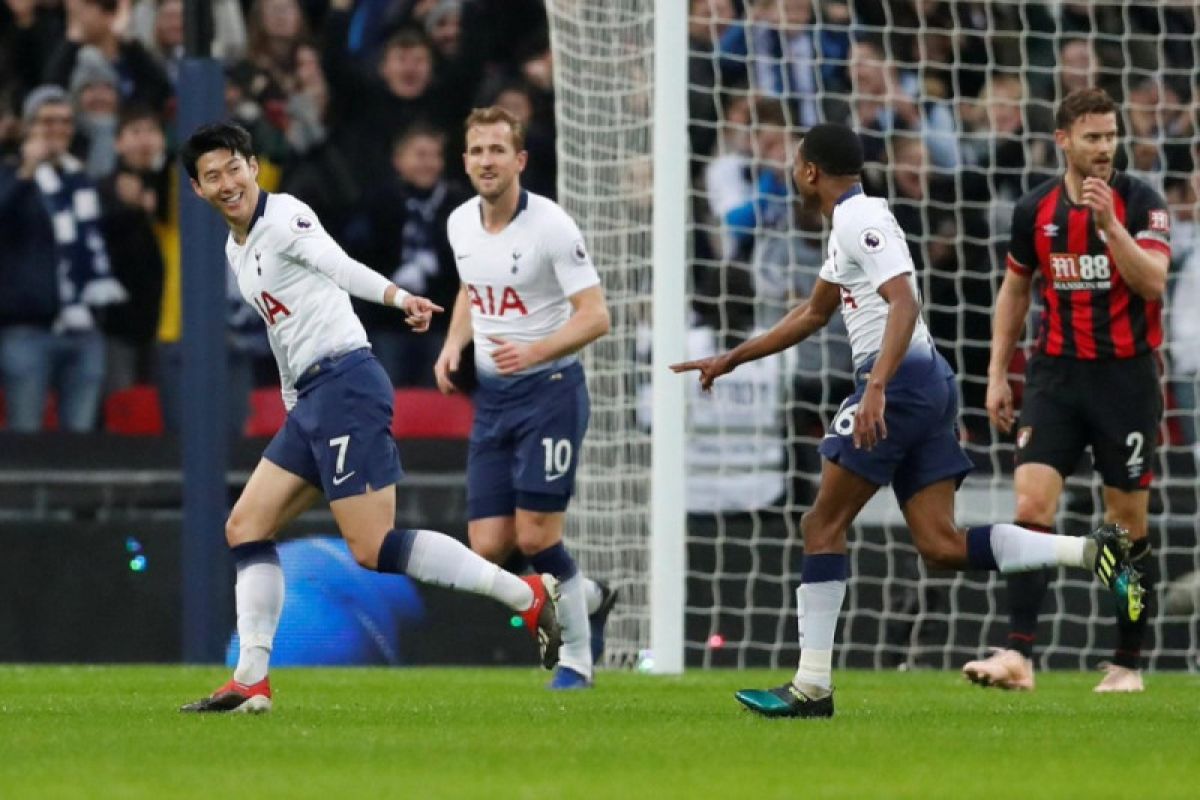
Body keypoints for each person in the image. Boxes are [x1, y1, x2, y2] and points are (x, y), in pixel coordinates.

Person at [670, 122, 1144, 719]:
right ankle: (1090, 551)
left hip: (901, 385)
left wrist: (874, 388)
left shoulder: (857, 219)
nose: (793, 172)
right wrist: (731, 357)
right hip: (924, 383)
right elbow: (814, 313)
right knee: (940, 545)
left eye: (796, 163)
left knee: (822, 524)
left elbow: (905, 300)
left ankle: (812, 685)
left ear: (810, 170)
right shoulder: (851, 221)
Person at [177, 121, 562, 713]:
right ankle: (251, 680)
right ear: (199, 192)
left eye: (234, 167)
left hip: (346, 385)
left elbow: (338, 265)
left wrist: (396, 296)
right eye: (212, 176)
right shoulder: (238, 248)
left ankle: (526, 593)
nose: (227, 182)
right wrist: (289, 398)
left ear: (254, 167)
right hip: (312, 400)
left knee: (371, 546)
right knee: (245, 527)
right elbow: (282, 332)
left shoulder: (285, 218)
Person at [965, 87, 1171, 694]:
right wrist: (998, 373)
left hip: (1125, 381)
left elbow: (1153, 282)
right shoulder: (1035, 209)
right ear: (1064, 141)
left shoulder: (1141, 202)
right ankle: (1018, 653)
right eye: (1093, 138)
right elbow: (1015, 291)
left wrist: (1110, 227)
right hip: (1054, 375)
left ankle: (1127, 661)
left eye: (1111, 136)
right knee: (1030, 510)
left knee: (1126, 524)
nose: (1105, 148)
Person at [434, 106, 617, 690]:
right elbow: (472, 286)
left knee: (538, 536)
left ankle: (578, 664)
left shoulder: (552, 228)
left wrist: (533, 352)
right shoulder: (460, 223)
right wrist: (453, 344)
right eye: (477, 151)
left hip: (551, 392)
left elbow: (596, 317)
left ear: (520, 160)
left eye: (497, 150)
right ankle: (586, 596)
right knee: (489, 547)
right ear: (465, 161)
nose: (486, 160)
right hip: (493, 399)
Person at [0, 85, 126, 432]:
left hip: (84, 328)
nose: (58, 129)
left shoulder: (81, 181)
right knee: (25, 438)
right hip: (27, 329)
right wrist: (27, 170)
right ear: (28, 127)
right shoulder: (11, 174)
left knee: (80, 444)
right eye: (48, 121)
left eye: (66, 122)